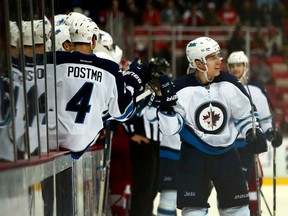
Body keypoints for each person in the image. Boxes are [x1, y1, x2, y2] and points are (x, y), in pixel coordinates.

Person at [155, 36, 268, 216]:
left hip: (226, 155)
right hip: (193, 156)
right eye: (212, 57)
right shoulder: (180, 88)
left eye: (219, 55)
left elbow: (245, 115)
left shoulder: (229, 82)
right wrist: (166, 108)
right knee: (193, 210)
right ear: (199, 63)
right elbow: (170, 129)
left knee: (238, 210)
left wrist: (253, 132)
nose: (219, 60)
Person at [54, 17, 149, 157]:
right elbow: (124, 112)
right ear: (93, 40)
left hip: (46, 140)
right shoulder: (109, 68)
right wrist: (132, 81)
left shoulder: (52, 62)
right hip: (80, 141)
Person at [227, 50, 283, 215]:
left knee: (252, 184)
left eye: (239, 65)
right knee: (230, 188)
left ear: (246, 67)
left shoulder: (257, 91)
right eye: (232, 66)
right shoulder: (221, 89)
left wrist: (271, 132)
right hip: (227, 148)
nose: (236, 69)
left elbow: (265, 122)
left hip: (248, 147)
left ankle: (253, 211)